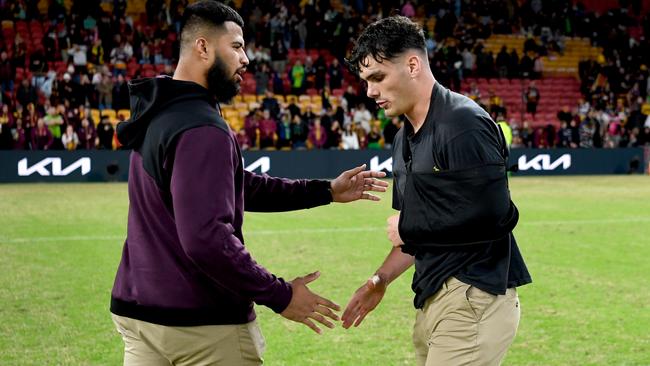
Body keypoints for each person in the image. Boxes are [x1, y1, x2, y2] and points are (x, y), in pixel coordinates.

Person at [109, 2, 388, 365]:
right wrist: (280, 294)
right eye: (237, 46)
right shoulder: (201, 127)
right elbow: (206, 238)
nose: (247, 59)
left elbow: (237, 185)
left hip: (139, 314)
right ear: (203, 48)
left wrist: (325, 191)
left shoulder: (159, 111)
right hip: (201, 326)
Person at [341, 16, 531, 366]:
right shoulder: (402, 139)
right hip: (433, 300)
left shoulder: (463, 123)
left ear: (413, 64)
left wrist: (409, 226)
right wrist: (379, 279)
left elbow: (496, 216)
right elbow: (415, 237)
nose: (370, 92)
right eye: (366, 81)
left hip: (475, 296)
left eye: (378, 77)